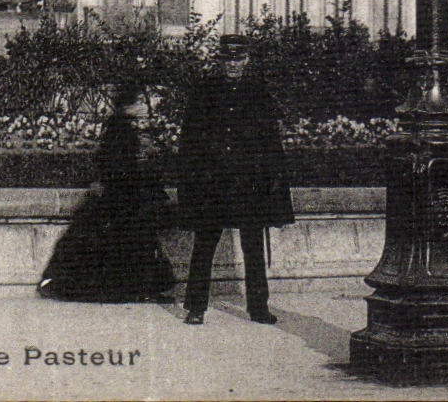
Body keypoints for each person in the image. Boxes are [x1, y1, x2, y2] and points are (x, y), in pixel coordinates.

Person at [177, 35, 293, 325]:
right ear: (220, 60)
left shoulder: (258, 92)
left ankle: (258, 308)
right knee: (204, 244)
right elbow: (189, 139)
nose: (233, 64)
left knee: (253, 246)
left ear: (246, 60)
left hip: (248, 184)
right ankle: (196, 306)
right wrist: (193, 177)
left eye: (238, 59)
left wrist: (273, 180)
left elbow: (270, 141)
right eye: (228, 59)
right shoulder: (204, 91)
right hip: (213, 183)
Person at [37, 82, 175, 303]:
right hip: (122, 199)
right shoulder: (121, 130)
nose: (145, 106)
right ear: (127, 106)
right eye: (140, 101)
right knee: (127, 244)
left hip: (123, 197)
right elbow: (118, 167)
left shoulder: (126, 128)